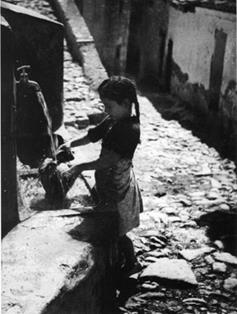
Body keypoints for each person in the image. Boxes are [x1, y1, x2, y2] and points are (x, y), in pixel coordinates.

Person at [61, 76, 143, 274]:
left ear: (125, 103)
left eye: (109, 106)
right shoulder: (114, 120)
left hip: (117, 187)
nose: (106, 111)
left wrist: (79, 167)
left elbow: (107, 161)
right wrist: (70, 143)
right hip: (107, 182)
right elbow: (92, 136)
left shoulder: (129, 129)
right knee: (106, 221)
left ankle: (131, 263)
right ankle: (115, 259)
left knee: (117, 231)